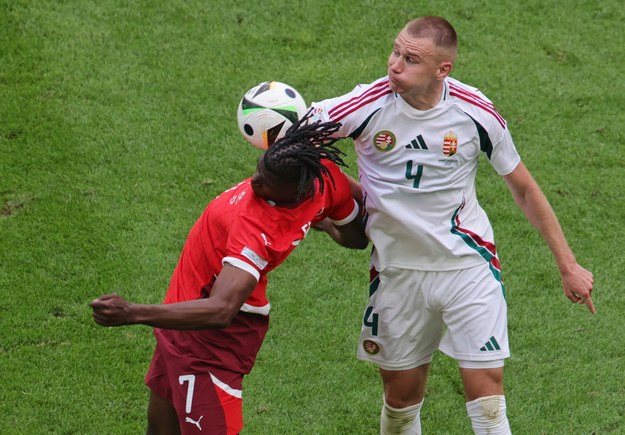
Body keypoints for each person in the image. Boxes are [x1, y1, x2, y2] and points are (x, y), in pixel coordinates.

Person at [308, 15, 595, 434]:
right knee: (402, 401)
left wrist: (567, 264)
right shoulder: (365, 104)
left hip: (468, 266)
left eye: (411, 59)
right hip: (398, 272)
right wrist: (337, 195)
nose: (394, 65)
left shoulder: (475, 111)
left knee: (489, 399)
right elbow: (293, 140)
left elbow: (525, 189)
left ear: (443, 69)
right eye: (395, 51)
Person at [90, 116, 368, 435]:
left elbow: (222, 310)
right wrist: (319, 219)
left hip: (205, 332)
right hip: (190, 326)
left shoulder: (260, 226)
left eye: (265, 183)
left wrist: (132, 313)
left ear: (297, 191)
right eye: (258, 170)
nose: (253, 183)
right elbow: (356, 234)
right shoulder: (322, 173)